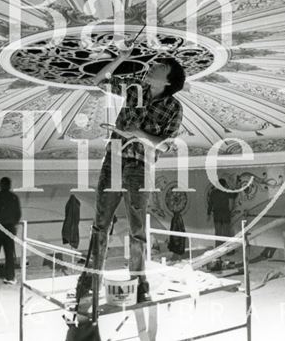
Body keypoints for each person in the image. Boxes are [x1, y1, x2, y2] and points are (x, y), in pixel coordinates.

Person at [75, 42, 185, 304]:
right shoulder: (136, 88)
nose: (155, 64)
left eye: (162, 65)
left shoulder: (174, 108)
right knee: (100, 224)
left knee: (137, 230)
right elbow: (98, 80)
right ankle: (90, 280)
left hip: (140, 166)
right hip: (113, 160)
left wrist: (139, 134)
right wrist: (118, 59)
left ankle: (139, 282)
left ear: (168, 81)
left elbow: (166, 144)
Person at [207, 178, 238, 248]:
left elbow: (210, 204)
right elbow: (234, 195)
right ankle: (227, 250)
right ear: (224, 185)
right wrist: (236, 187)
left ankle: (218, 249)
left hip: (217, 215)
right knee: (226, 233)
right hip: (225, 215)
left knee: (218, 233)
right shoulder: (226, 192)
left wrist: (208, 214)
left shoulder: (213, 193)